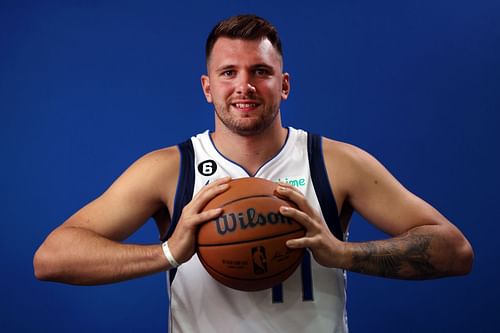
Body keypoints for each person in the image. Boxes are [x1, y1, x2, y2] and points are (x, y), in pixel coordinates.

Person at [33, 14, 474, 332]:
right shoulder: (169, 169)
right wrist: (168, 252)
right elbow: (52, 258)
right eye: (229, 72)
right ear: (208, 88)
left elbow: (455, 251)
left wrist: (343, 253)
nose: (244, 86)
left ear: (284, 84)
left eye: (261, 71)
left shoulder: (334, 162)